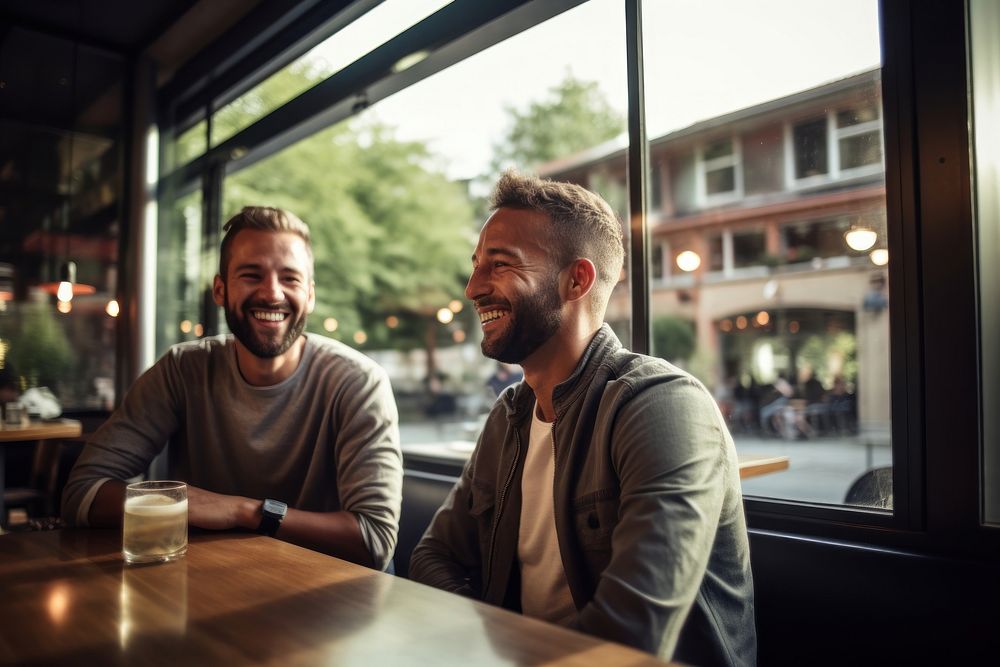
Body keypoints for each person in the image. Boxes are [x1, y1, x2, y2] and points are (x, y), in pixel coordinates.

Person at [409, 171, 756, 665]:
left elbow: (632, 631)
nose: (473, 288)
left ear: (577, 280)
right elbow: (432, 557)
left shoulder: (662, 404)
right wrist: (491, 643)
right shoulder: (510, 415)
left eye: (500, 264)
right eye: (476, 265)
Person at [62, 206, 401, 570]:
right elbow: (82, 494)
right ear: (220, 289)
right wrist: (187, 501)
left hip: (325, 597)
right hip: (212, 581)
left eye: (290, 278)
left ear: (311, 295)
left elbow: (375, 540)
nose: (272, 293)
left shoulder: (358, 382)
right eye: (251, 275)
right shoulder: (181, 369)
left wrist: (245, 511)